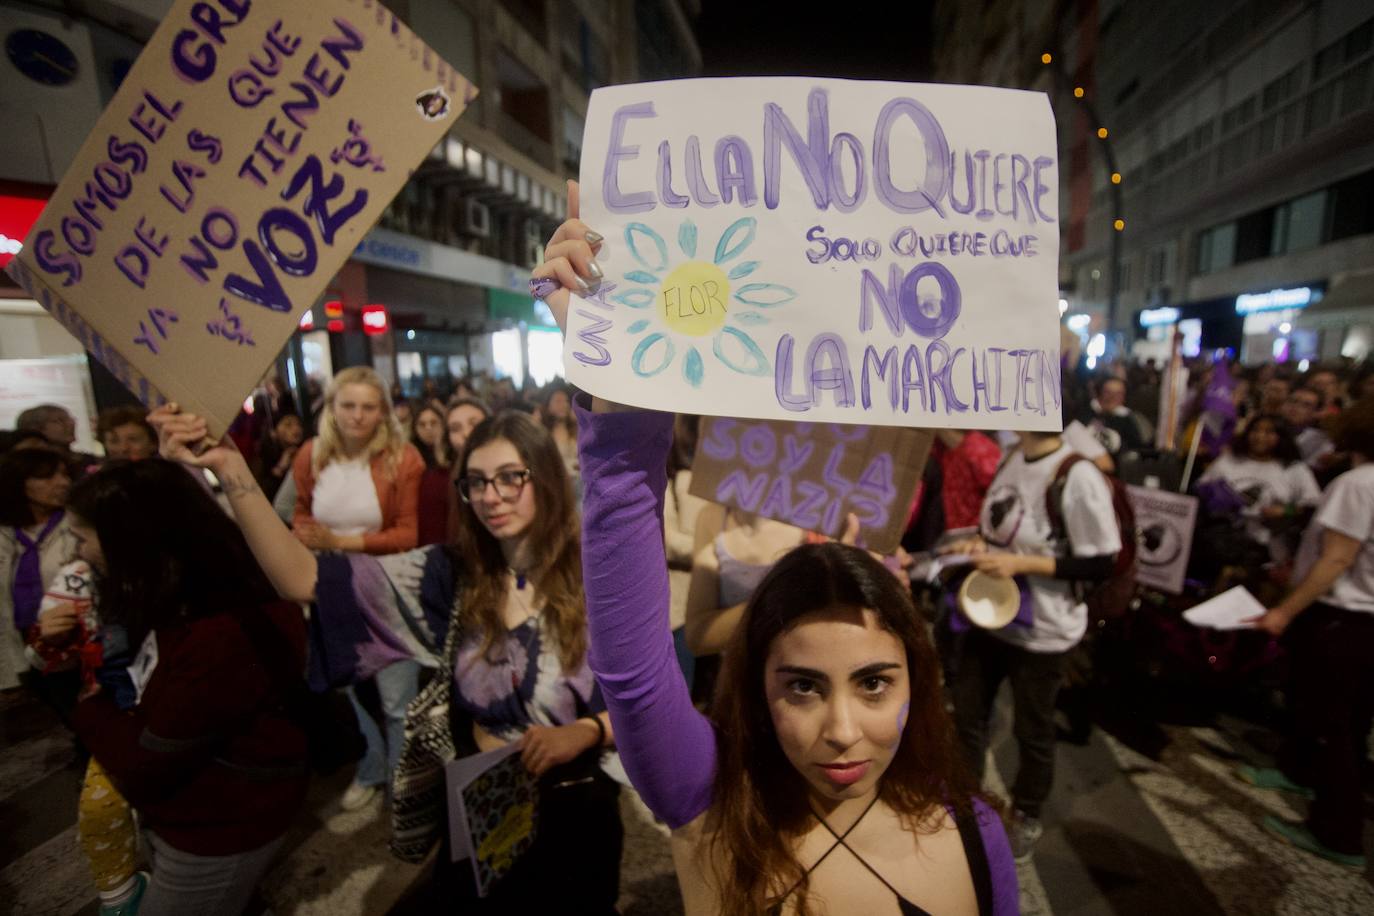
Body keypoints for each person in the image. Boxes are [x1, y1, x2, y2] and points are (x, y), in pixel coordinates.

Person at [531, 188, 1015, 915]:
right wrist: (616, 388)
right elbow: (632, 672)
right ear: (757, 687)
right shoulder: (711, 800)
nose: (843, 732)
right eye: (802, 686)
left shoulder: (979, 834)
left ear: (918, 677)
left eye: (876, 683)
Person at [155, 406, 623, 912]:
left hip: (575, 809)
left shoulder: (600, 575)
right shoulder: (449, 575)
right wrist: (230, 468)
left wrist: (587, 730)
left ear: (548, 478)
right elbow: (301, 580)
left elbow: (657, 704)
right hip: (483, 805)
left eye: (512, 477)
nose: (493, 496)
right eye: (477, 482)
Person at [65, 459, 308, 916]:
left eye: (83, 537)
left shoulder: (219, 635)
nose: (79, 553)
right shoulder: (177, 599)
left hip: (220, 827)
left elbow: (148, 761)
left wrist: (88, 705)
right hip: (194, 809)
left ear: (131, 539)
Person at [944, 424, 1122, 861]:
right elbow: (1002, 529)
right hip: (989, 615)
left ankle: (1026, 812)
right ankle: (967, 807)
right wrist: (978, 542)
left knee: (1032, 728)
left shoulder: (1075, 473)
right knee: (968, 718)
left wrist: (1021, 563)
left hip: (1043, 629)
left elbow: (1102, 562)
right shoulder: (1012, 457)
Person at [1241, 398, 1374, 869]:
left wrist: (1285, 611)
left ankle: (1336, 832)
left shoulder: (1356, 485)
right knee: (1349, 720)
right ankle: (1299, 771)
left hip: (1341, 617)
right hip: (1363, 623)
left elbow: (1336, 559)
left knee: (1333, 726)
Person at [291, 366, 424, 810]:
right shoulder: (310, 455)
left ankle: (403, 781)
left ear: (383, 413)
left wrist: (339, 541)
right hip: (330, 585)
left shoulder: (403, 458)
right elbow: (301, 514)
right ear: (332, 408)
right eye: (348, 405)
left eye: (369, 407)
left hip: (386, 586)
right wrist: (310, 541)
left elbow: (408, 534)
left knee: (396, 698)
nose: (357, 416)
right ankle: (372, 767)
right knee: (352, 691)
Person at [0, 448, 78, 694]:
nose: (62, 483)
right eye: (47, 477)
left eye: (65, 475)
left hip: (74, 647)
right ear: (19, 483)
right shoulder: (6, 534)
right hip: (18, 652)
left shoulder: (77, 525)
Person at [1197, 414, 1320, 561]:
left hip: (1268, 549)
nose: (1260, 437)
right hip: (1219, 541)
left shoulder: (1295, 469)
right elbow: (1200, 490)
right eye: (1255, 430)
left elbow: (1313, 506)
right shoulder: (1229, 460)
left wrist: (1286, 510)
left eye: (1269, 432)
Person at [410, 402, 453, 547]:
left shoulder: (452, 457)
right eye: (422, 424)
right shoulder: (410, 458)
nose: (428, 428)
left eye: (433, 423)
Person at [1081, 376, 1151, 459]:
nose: (1113, 397)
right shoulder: (1084, 413)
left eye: (1119, 394)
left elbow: (1136, 449)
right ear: (1099, 393)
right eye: (1108, 392)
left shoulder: (1129, 418)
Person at [249, 412, 305, 501]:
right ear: (273, 432)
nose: (296, 429)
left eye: (298, 424)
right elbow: (264, 495)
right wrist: (280, 467)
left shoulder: (306, 450)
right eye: (288, 425)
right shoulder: (263, 458)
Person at [541, 386, 579, 478]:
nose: (564, 405)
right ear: (548, 406)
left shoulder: (576, 429)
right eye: (558, 401)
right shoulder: (543, 433)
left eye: (566, 401)